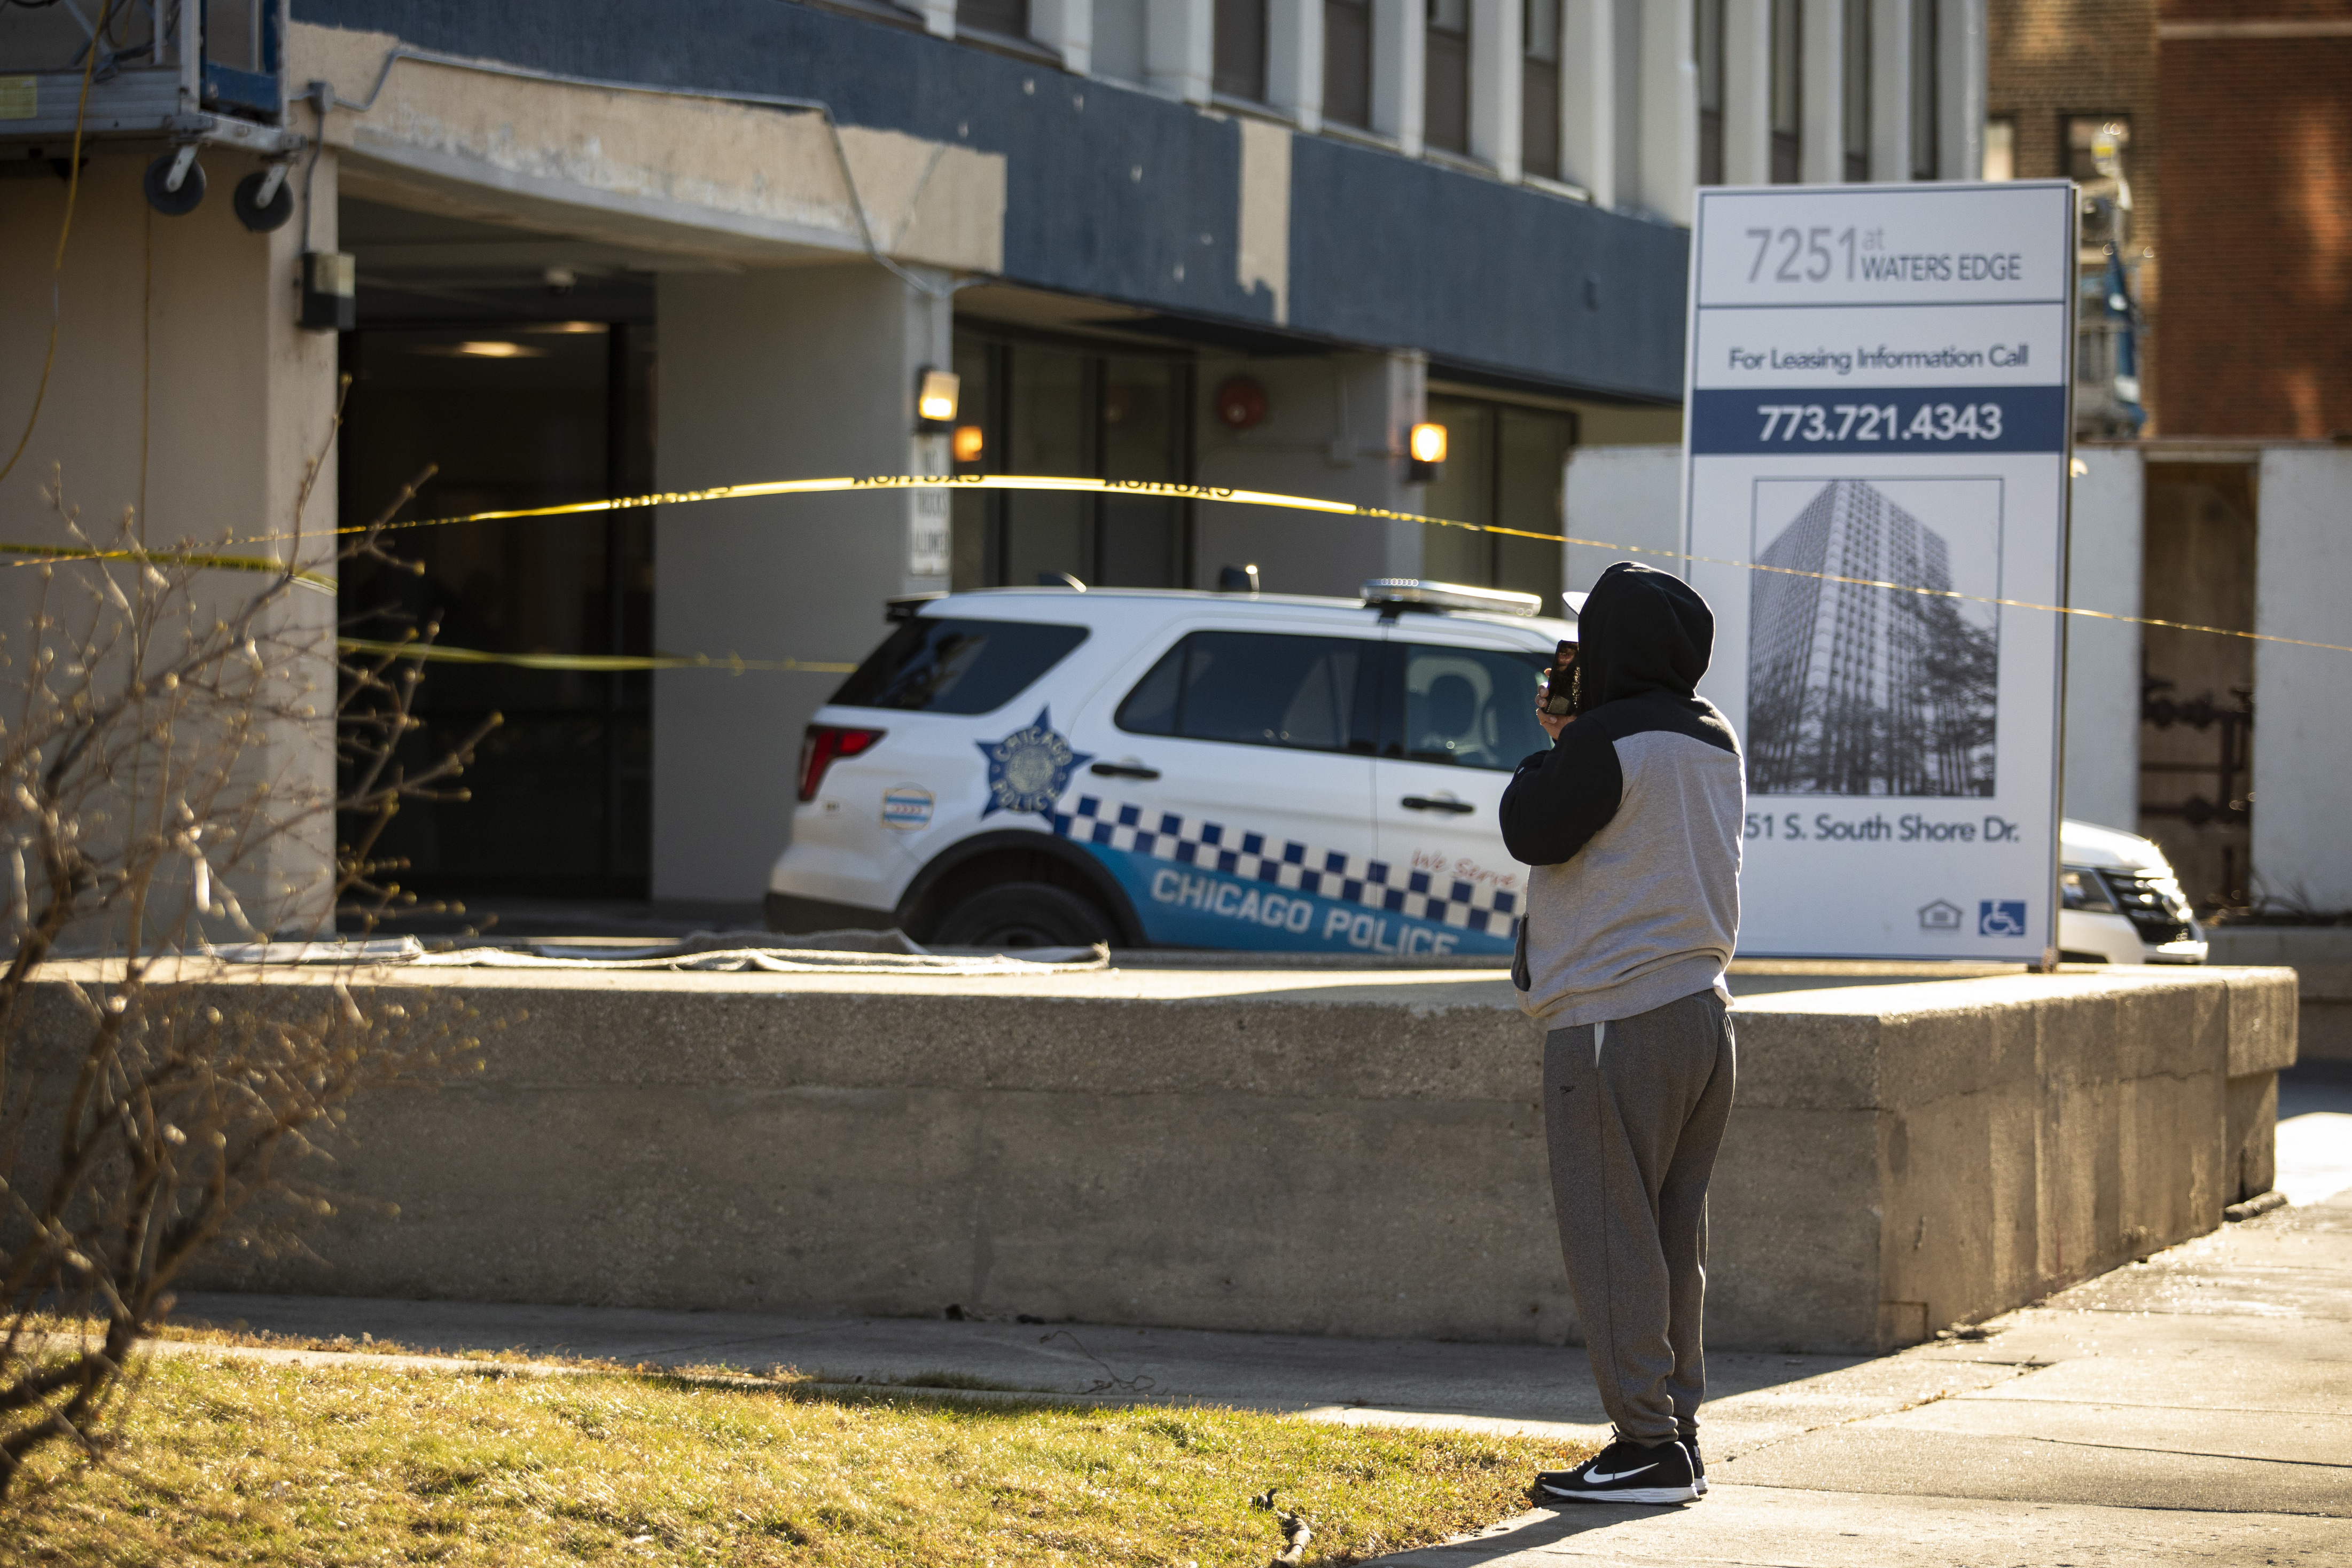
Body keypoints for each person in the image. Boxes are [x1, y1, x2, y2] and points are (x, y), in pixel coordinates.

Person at [1498, 560, 1744, 1508]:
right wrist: (1578, 736)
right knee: (1671, 1240)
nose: (1571, 655)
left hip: (1614, 1019)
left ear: (1615, 646)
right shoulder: (1711, 734)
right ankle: (1676, 1432)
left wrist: (1555, 745)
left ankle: (1645, 1447)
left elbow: (1533, 828)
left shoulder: (1603, 739)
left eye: (1585, 638)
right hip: (1703, 1015)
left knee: (1611, 1238)